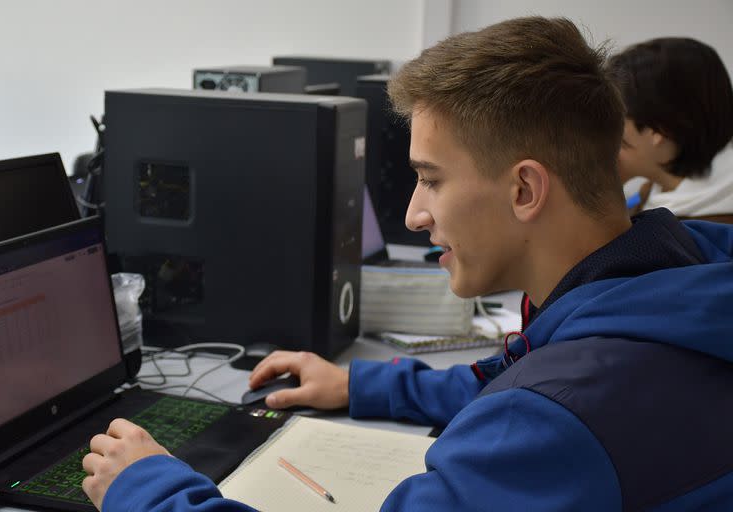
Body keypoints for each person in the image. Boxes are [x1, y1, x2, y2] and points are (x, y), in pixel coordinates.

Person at [82, 17, 733, 511]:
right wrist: (358, 386)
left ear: (525, 190)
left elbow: (541, 402)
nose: (416, 214)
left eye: (431, 179)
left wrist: (148, 489)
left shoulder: (555, 415)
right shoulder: (674, 273)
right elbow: (513, 374)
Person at [607, 37, 733, 221]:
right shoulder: (653, 191)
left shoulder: (697, 238)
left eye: (614, 118)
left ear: (659, 131)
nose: (602, 131)